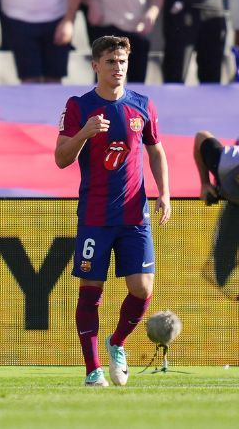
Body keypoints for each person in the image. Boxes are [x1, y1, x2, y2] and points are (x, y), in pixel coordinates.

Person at [54, 35, 171, 387]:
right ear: (95, 66)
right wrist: (84, 134)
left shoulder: (142, 105)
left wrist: (164, 192)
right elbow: (61, 158)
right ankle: (92, 369)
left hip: (135, 214)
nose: (117, 68)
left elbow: (155, 151)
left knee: (142, 288)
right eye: (110, 62)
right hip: (95, 214)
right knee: (91, 289)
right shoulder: (79, 106)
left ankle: (117, 342)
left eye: (122, 61)